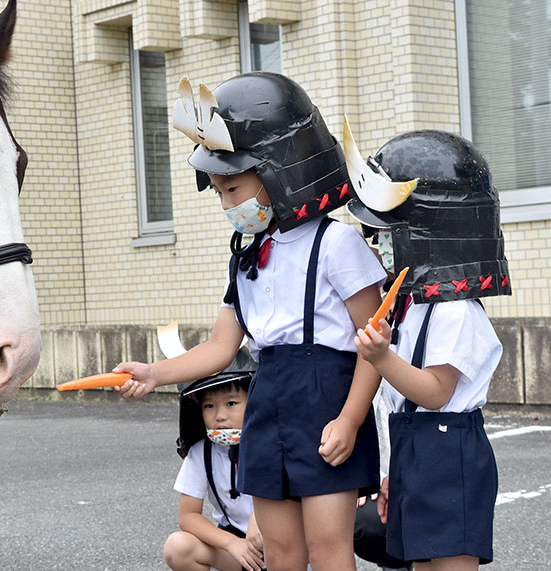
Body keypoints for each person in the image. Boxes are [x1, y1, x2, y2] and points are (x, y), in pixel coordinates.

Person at [115, 72, 387, 570]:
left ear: (278, 171)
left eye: (233, 187)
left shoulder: (337, 244)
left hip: (326, 401)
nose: (227, 203)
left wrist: (349, 419)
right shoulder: (245, 255)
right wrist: (155, 374)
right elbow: (220, 348)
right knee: (281, 553)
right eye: (218, 191)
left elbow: (374, 345)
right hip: (267, 405)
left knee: (329, 551)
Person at [348, 128, 508, 568]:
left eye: (382, 232)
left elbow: (436, 392)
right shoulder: (409, 302)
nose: (374, 242)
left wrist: (381, 358)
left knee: (450, 561)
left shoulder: (454, 309)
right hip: (415, 448)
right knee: (419, 562)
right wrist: (392, 472)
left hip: (449, 451)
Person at [164, 347, 265, 571]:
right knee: (177, 547)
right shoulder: (202, 453)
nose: (220, 415)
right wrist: (232, 544)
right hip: (236, 547)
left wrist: (263, 517)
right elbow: (188, 515)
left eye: (231, 403)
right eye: (209, 406)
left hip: (281, 542)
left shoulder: (272, 442)